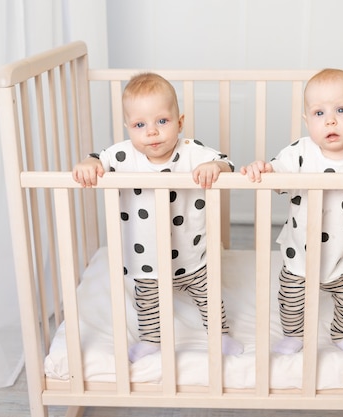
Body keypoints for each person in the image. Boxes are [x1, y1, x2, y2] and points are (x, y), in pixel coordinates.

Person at [73, 72, 243, 362]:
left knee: (209, 295)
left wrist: (216, 168)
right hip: (146, 254)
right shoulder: (124, 155)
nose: (151, 132)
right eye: (140, 125)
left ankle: (220, 333)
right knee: (148, 299)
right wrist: (89, 164)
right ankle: (151, 339)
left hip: (191, 252)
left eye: (161, 121)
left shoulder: (191, 152)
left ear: (179, 122)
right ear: (128, 128)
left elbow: (227, 163)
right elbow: (98, 158)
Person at [241, 68, 343, 354]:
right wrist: (264, 169)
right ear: (307, 120)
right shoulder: (301, 151)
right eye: (319, 113)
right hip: (301, 249)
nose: (331, 120)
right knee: (291, 295)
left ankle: (342, 333)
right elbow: (276, 177)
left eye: (340, 110)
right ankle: (293, 334)